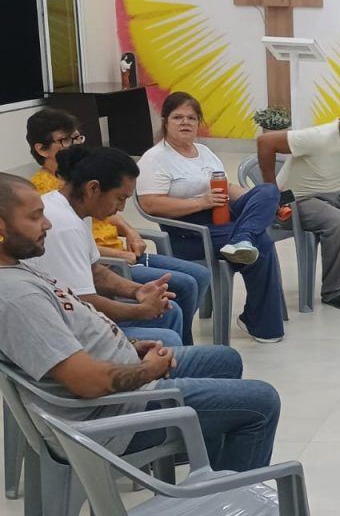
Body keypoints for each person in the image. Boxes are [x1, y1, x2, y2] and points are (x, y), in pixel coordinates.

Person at [0, 173, 280, 471]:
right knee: (262, 402)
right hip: (109, 419)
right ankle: (224, 502)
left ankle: (206, 472)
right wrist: (147, 370)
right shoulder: (16, 297)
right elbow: (88, 382)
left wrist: (131, 346)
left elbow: (68, 338)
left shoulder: (18, 270)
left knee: (225, 360)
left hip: (119, 392)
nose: (48, 224)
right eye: (35, 217)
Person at [26, 108, 210, 345]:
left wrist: (137, 291)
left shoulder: (77, 207)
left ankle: (178, 365)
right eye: (120, 198)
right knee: (167, 335)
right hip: (68, 332)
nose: (123, 209)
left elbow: (97, 271)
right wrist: (138, 310)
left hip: (80, 310)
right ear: (93, 189)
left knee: (170, 310)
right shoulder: (62, 224)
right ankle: (167, 372)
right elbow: (83, 302)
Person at [136, 93, 286, 343]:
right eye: (178, 117)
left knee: (268, 191)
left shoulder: (204, 151)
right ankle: (260, 323)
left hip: (222, 216)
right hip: (190, 228)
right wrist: (200, 202)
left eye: (191, 118)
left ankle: (243, 237)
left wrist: (257, 200)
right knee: (263, 243)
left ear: (199, 123)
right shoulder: (155, 158)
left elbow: (226, 187)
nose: (185, 123)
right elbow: (150, 204)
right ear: (165, 121)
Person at [257, 102, 340, 310]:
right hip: (298, 200)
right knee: (339, 222)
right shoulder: (318, 137)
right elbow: (265, 142)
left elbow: (326, 159)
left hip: (336, 192)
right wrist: (271, 192)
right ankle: (333, 290)